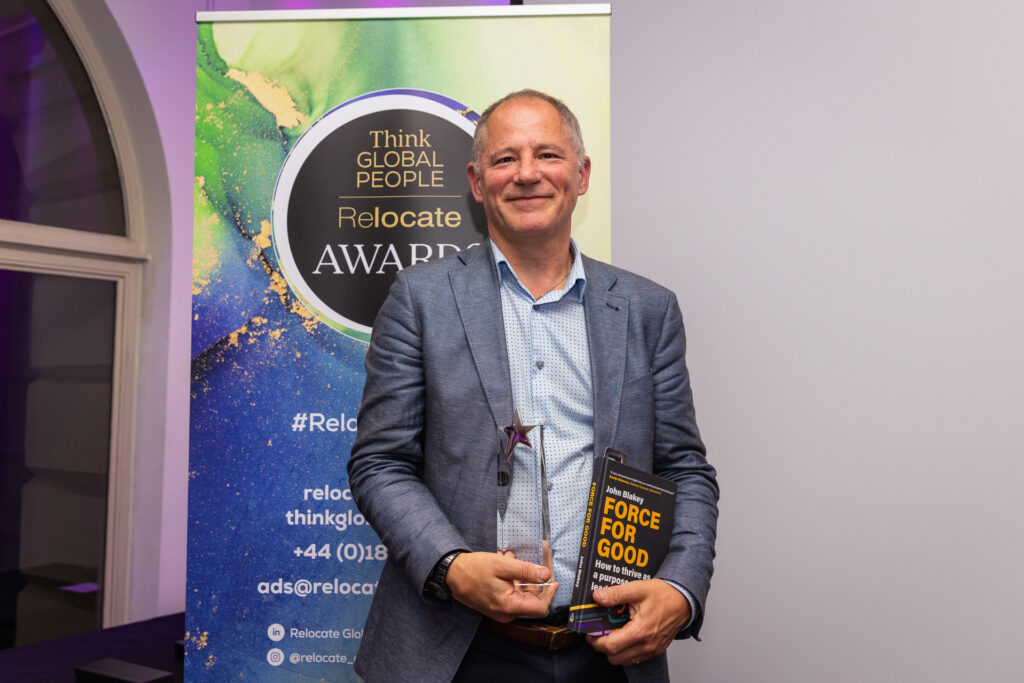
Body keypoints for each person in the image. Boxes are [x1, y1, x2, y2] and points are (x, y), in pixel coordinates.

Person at [347, 89, 719, 683]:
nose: (526, 174)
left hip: (609, 646)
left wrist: (681, 589)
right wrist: (452, 565)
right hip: (460, 650)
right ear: (477, 182)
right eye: (505, 159)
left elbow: (684, 469)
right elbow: (380, 463)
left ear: (582, 174)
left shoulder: (648, 310)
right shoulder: (420, 300)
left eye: (547, 154)